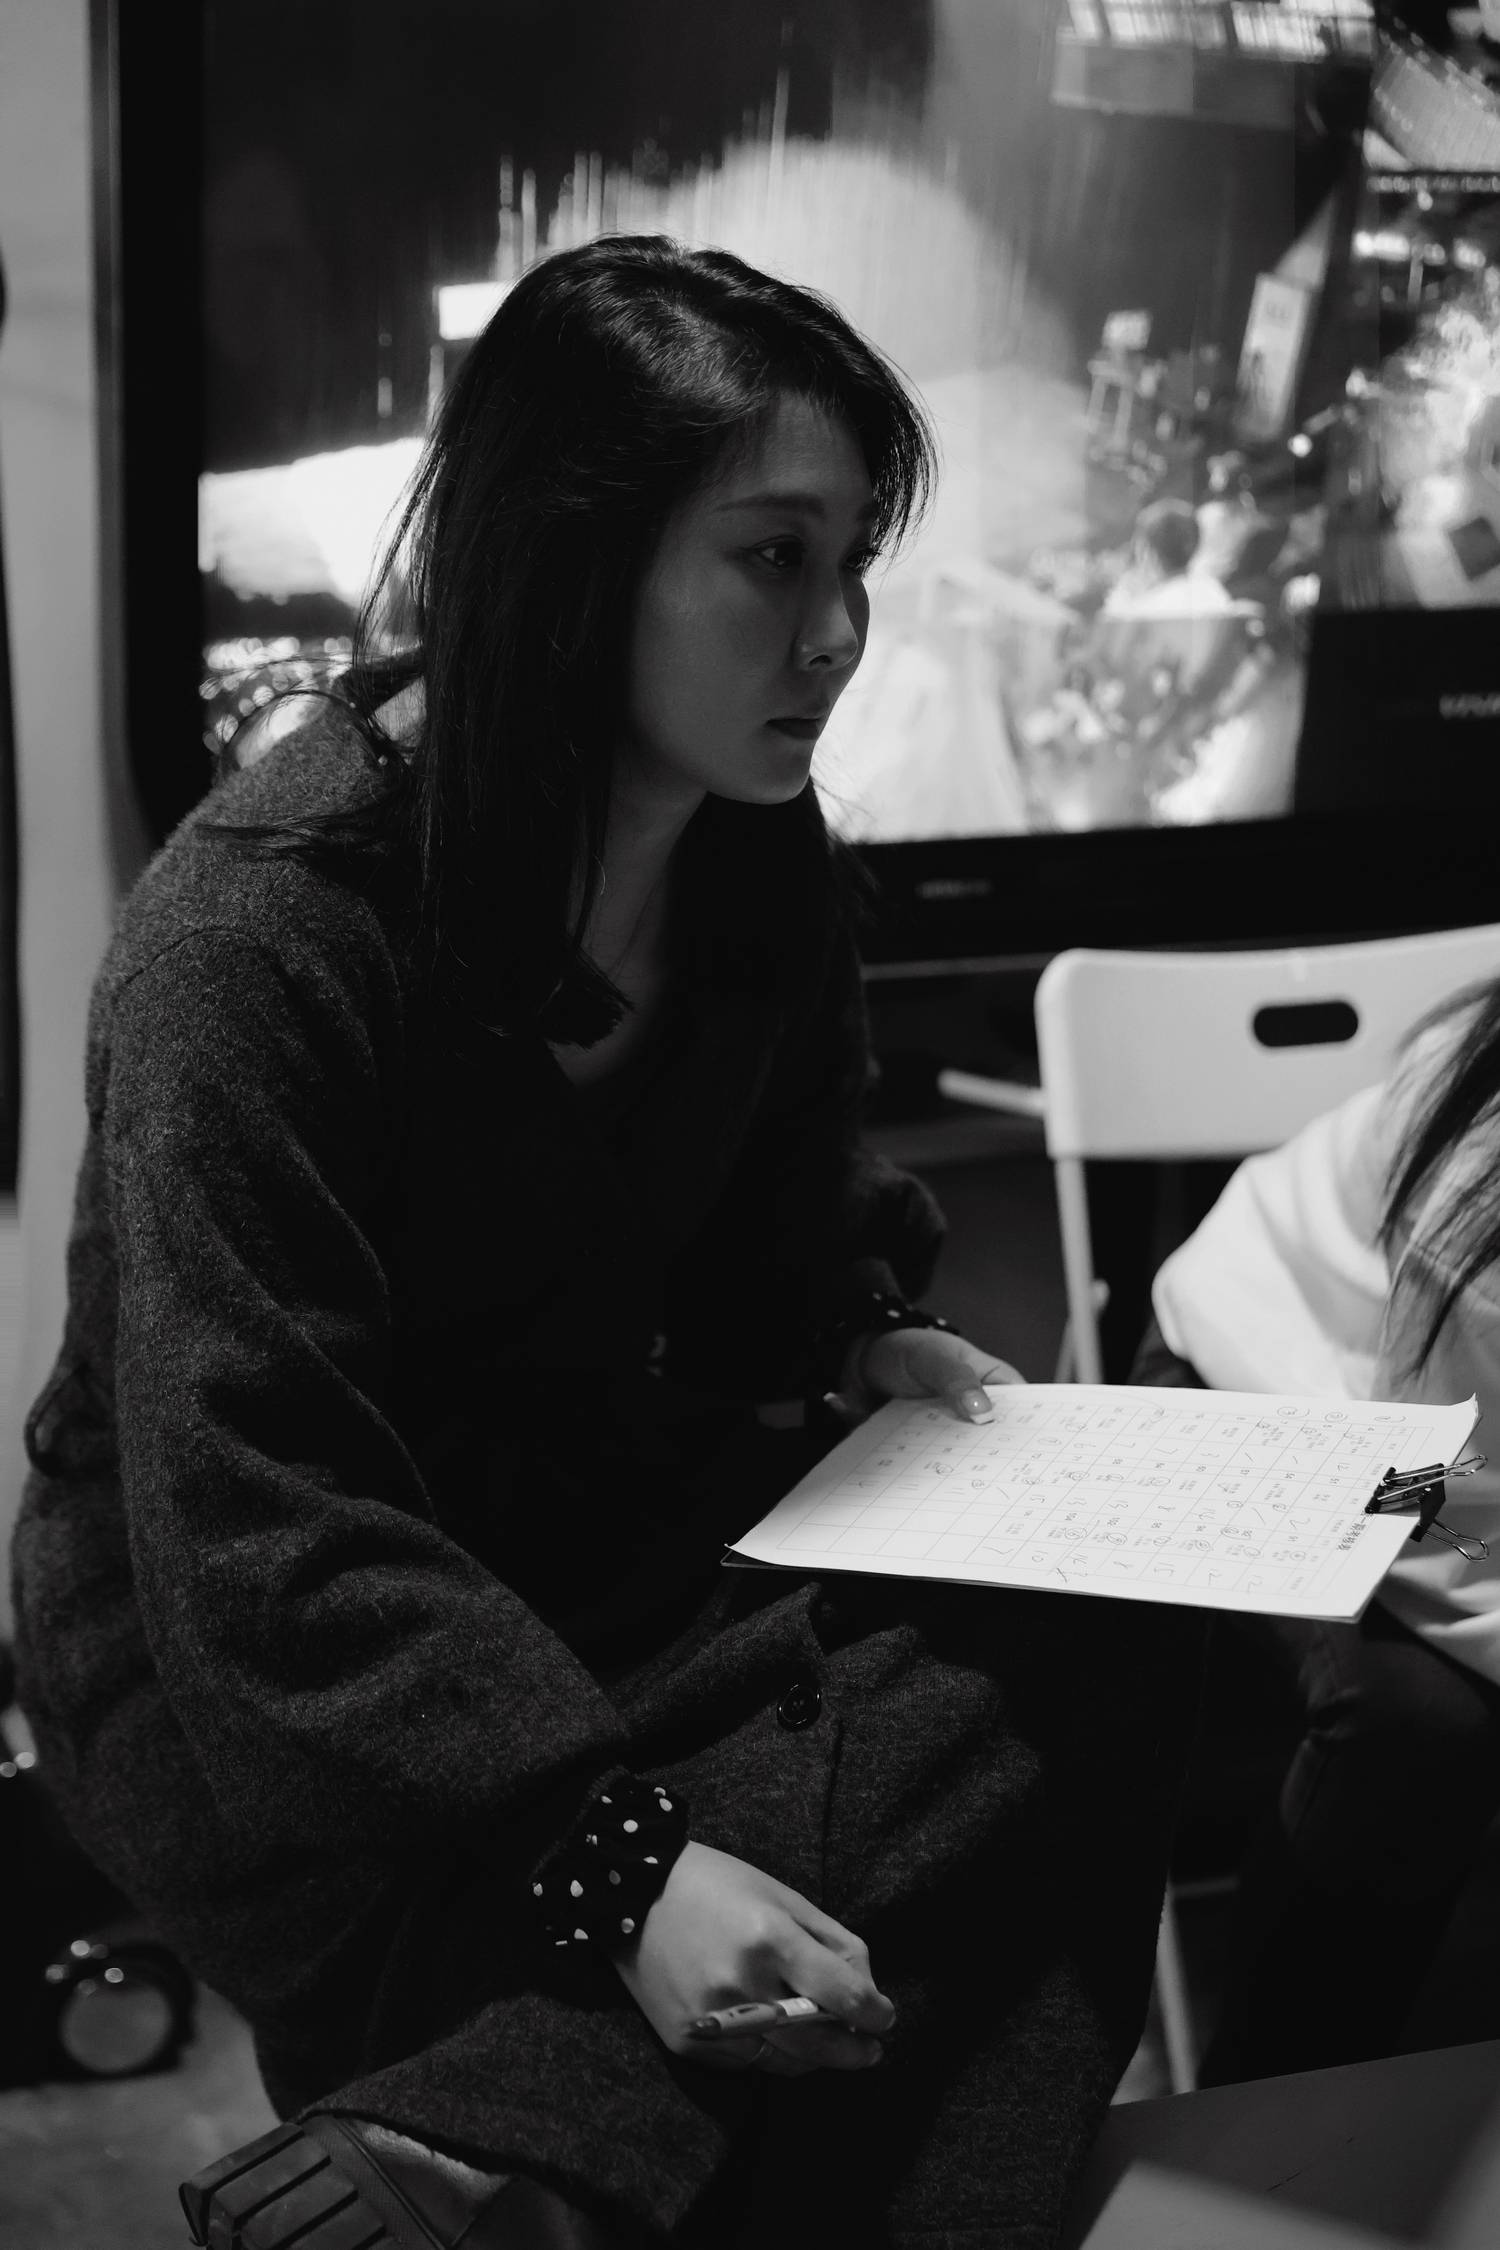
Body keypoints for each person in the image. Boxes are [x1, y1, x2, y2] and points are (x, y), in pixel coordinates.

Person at [10, 237, 1196, 2248]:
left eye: (856, 563)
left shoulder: (758, 862)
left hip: (561, 1526)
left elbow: (773, 1233)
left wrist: (866, 1330)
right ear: (573, 562)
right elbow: (260, 1533)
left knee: (1125, 1632)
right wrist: (624, 1867)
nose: (841, 632)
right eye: (775, 559)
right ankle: (536, 2135)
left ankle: (494, 2152)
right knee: (893, 1844)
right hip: (242, 1656)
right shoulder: (256, 939)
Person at [1140, 979, 1500, 2083]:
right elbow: (1428, 1499)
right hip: (1271, 1382)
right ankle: (1272, 2108)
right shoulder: (1479, 1178)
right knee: (1419, 1718)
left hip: (1444, 1445)